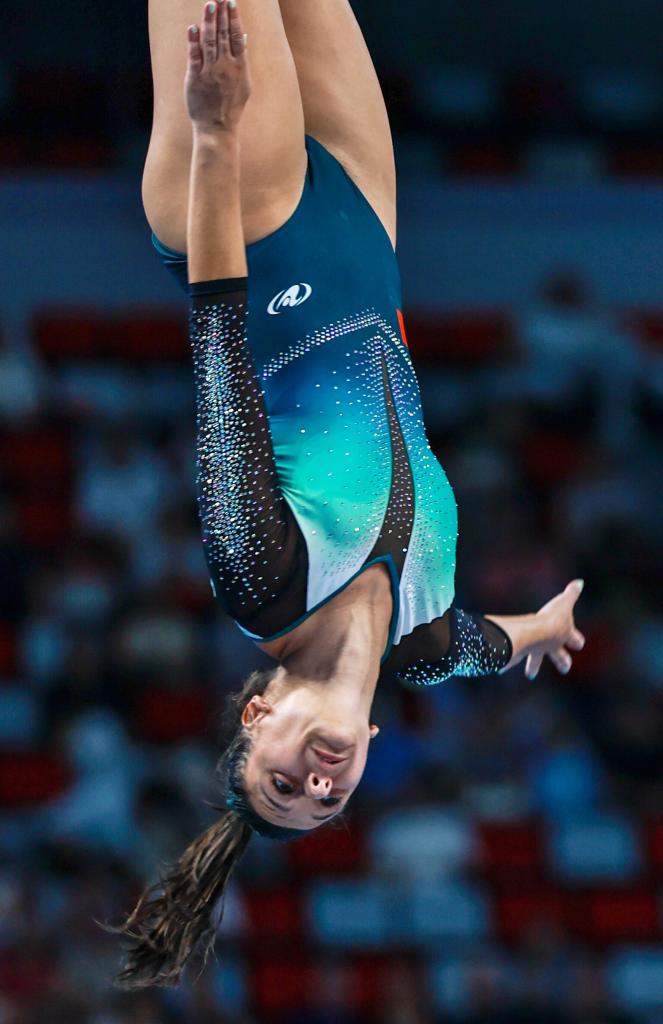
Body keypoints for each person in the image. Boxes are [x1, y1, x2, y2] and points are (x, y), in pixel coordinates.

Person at [115, 0, 586, 987]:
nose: (315, 781)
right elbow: (489, 646)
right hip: (367, 233)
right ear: (370, 751)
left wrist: (213, 131)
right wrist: (544, 630)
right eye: (326, 799)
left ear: (256, 718)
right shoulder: (423, 646)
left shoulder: (263, 584)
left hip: (245, 222)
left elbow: (217, 346)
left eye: (282, 781)